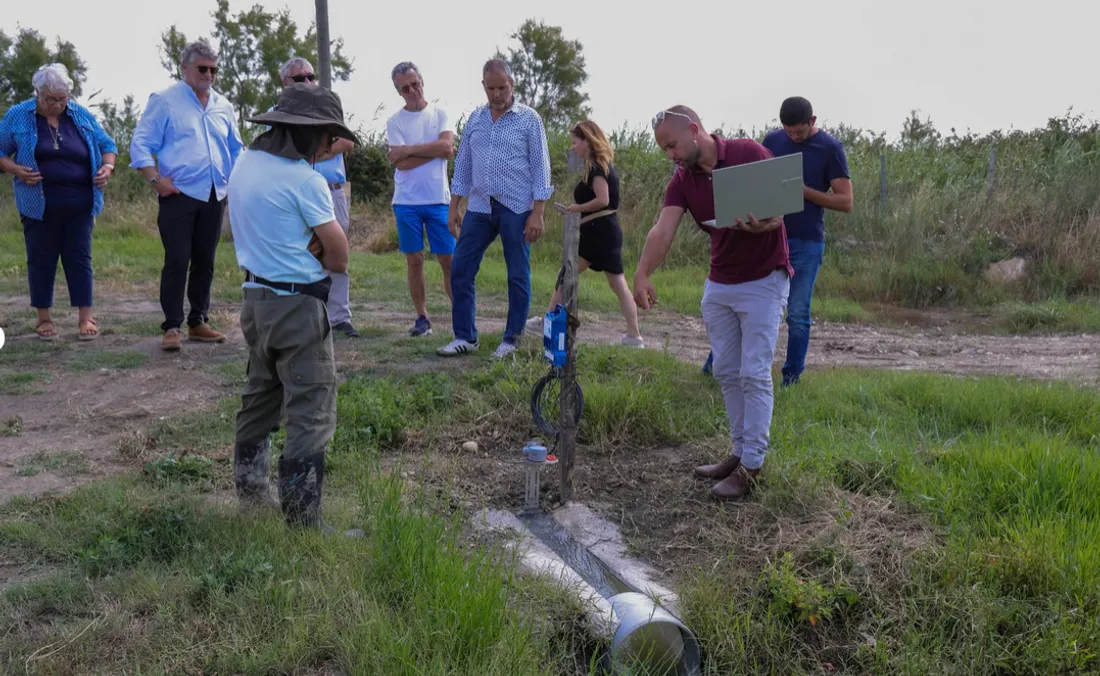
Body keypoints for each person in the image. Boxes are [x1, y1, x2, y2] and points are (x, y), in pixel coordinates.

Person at [634, 106, 792, 500]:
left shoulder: (747, 153)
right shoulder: (682, 180)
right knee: (725, 369)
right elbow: (662, 229)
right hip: (720, 282)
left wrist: (765, 223)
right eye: (664, 149)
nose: (669, 154)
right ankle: (737, 454)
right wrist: (641, 273)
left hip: (763, 279)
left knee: (754, 372)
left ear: (693, 129)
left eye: (672, 145)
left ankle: (753, 465)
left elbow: (782, 210)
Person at [227, 82, 359, 533]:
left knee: (260, 395)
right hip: (298, 306)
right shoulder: (305, 181)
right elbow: (339, 258)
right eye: (328, 136)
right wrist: (313, 245)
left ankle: (251, 495)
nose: (330, 145)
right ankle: (304, 522)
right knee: (312, 406)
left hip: (255, 300)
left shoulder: (245, 163)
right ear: (312, 133)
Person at [131, 39, 245, 352]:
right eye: (202, 68)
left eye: (214, 69)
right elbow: (140, 144)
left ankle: (198, 321)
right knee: (178, 259)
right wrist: (155, 180)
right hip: (178, 194)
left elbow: (236, 148)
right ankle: (171, 326)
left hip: (214, 194)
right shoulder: (165, 101)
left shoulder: (224, 105)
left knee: (205, 261)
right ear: (186, 69)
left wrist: (235, 182)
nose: (209, 74)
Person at [436, 58, 553, 360]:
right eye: (491, 88)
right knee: (460, 267)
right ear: (484, 87)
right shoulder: (475, 118)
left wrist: (538, 211)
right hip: (479, 206)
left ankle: (511, 340)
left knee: (516, 273)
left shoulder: (529, 119)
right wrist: (453, 206)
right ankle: (465, 336)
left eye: (502, 87)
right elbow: (462, 165)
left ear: (512, 85)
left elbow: (541, 167)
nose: (497, 94)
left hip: (516, 206)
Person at [0, 64, 117, 342]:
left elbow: (107, 145)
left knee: (79, 259)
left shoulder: (80, 115)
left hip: (81, 204)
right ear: (37, 93)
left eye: (62, 98)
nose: (58, 104)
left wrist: (107, 168)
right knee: (41, 260)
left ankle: (86, 317)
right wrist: (15, 169)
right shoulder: (18, 115)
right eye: (51, 99)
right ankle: (44, 319)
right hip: (37, 204)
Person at [526, 120, 642, 347]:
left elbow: (603, 200)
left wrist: (574, 209)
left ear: (587, 141)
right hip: (600, 232)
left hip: (599, 233)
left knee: (573, 275)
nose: (572, 147)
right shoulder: (601, 164)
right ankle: (633, 335)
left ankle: (547, 320)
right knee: (607, 281)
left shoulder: (597, 167)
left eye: (575, 142)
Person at [763, 97, 852, 386]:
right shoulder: (772, 140)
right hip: (767, 236)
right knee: (751, 305)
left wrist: (803, 191)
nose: (793, 137)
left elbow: (845, 201)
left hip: (806, 241)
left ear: (812, 121)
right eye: (789, 132)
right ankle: (728, 367)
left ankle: (791, 378)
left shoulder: (830, 148)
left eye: (799, 132)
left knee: (798, 313)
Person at [278, 57, 359, 338]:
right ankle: (304, 315)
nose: (308, 83)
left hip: (332, 191)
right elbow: (278, 151)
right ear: (285, 83)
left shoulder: (326, 106)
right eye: (300, 78)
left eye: (311, 76)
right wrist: (326, 147)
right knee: (301, 253)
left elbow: (347, 141)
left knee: (336, 253)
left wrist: (311, 151)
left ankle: (339, 317)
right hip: (296, 193)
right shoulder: (275, 113)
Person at [385, 61, 456, 338]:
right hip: (406, 201)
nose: (412, 90)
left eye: (415, 84)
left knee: (448, 260)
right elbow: (399, 164)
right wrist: (434, 150)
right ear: (398, 91)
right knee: (414, 260)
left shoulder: (440, 113)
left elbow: (447, 146)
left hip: (438, 199)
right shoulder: (395, 121)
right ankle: (422, 316)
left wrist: (408, 151)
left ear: (422, 82)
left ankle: (459, 313)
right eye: (405, 88)